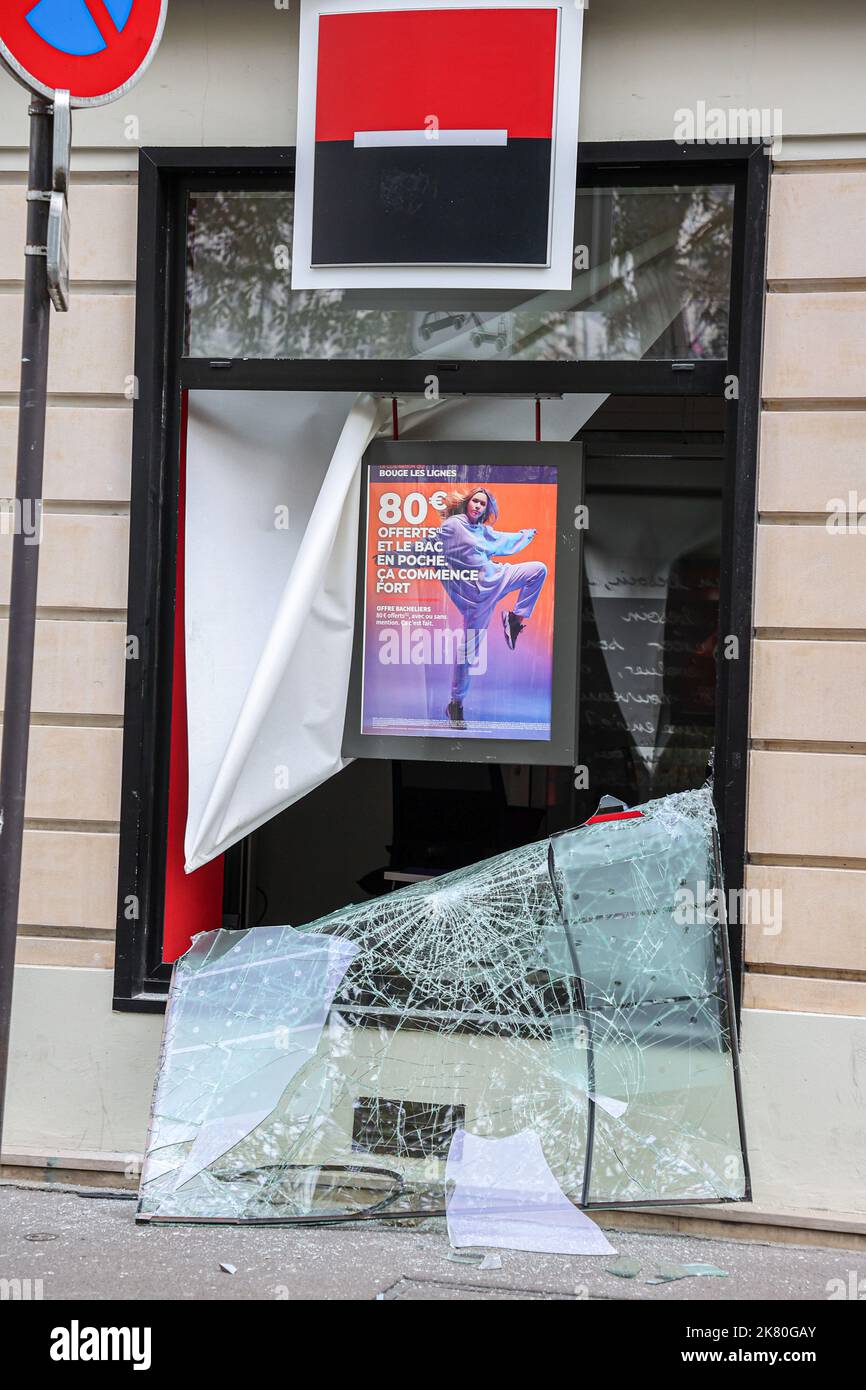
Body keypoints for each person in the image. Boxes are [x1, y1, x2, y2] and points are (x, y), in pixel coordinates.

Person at [436, 486, 547, 728]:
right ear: (467, 503)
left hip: (498, 577)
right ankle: (456, 703)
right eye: (475, 501)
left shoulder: (482, 531)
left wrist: (525, 535)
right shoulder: (454, 526)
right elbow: (433, 550)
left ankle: (515, 619)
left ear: (486, 509)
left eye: (482, 504)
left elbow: (501, 540)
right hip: (475, 600)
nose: (477, 506)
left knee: (538, 569)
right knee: (468, 653)